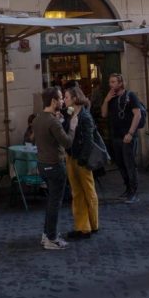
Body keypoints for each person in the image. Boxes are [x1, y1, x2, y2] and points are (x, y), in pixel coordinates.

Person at [32, 87, 72, 250]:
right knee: (55, 203)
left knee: (51, 201)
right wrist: (66, 124)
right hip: (55, 165)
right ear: (54, 101)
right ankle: (51, 238)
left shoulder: (37, 118)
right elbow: (67, 142)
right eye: (61, 98)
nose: (62, 101)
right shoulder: (53, 121)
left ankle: (47, 234)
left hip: (42, 164)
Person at [99, 73, 144, 204]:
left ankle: (134, 192)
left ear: (120, 83)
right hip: (116, 136)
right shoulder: (111, 97)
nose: (111, 84)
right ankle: (128, 189)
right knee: (120, 164)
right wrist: (106, 100)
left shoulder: (130, 96)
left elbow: (138, 114)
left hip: (128, 136)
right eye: (110, 82)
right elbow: (103, 114)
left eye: (113, 82)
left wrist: (130, 133)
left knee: (130, 164)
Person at [64, 84, 99, 240]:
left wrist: (83, 159)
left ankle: (91, 224)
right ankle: (83, 226)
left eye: (66, 97)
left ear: (75, 99)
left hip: (80, 160)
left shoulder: (85, 117)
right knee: (78, 192)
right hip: (72, 157)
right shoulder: (70, 114)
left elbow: (89, 141)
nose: (64, 100)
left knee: (88, 191)